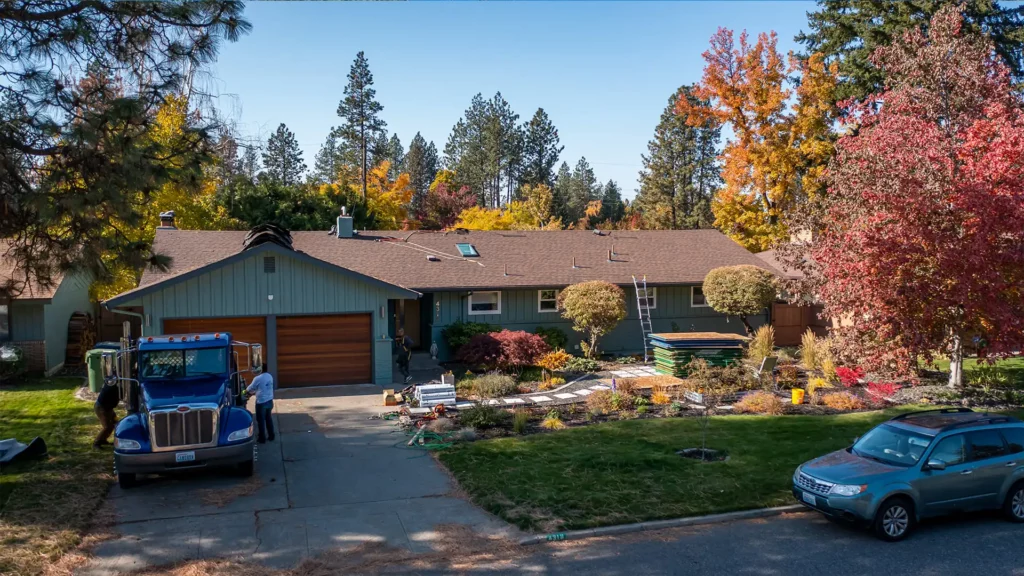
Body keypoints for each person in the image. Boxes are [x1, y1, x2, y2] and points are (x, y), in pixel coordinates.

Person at [245, 363, 275, 443]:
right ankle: (271, 436)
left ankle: (262, 438)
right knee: (268, 418)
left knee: (260, 420)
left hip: (261, 402)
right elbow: (262, 387)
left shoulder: (258, 378)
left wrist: (245, 392)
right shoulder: (269, 376)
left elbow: (250, 388)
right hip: (270, 401)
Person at [94, 381, 119, 448]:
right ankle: (97, 442)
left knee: (115, 422)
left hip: (108, 408)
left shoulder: (112, 386)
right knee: (107, 427)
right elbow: (114, 402)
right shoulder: (111, 389)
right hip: (102, 409)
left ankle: (103, 439)